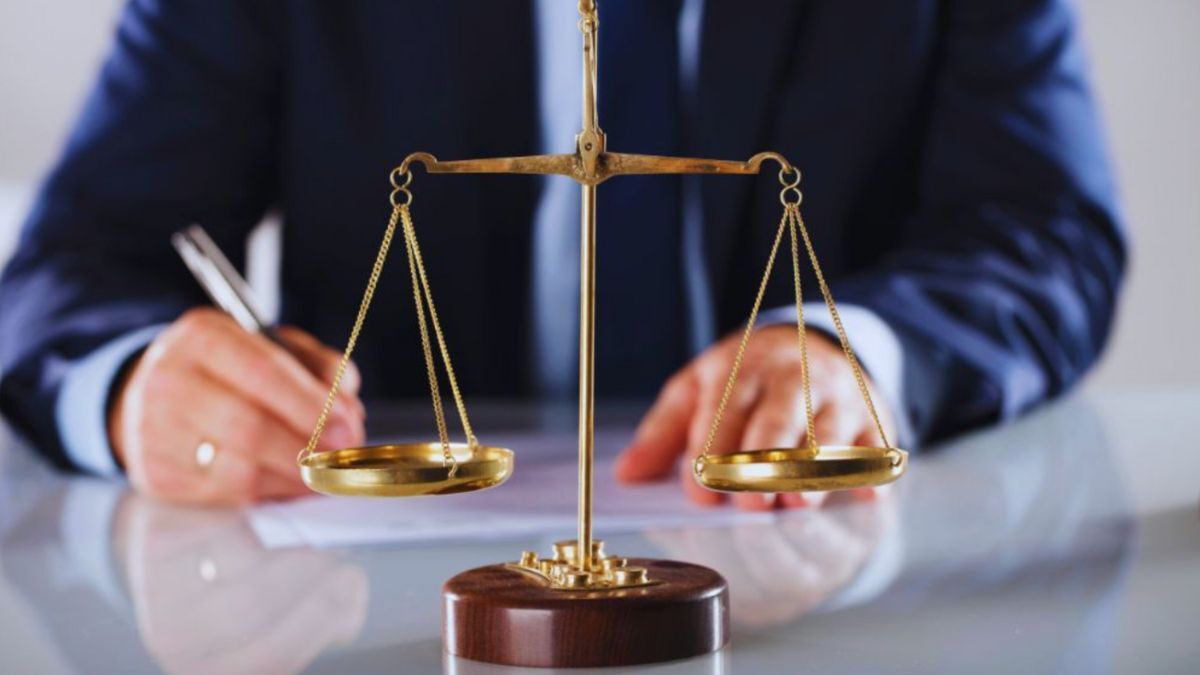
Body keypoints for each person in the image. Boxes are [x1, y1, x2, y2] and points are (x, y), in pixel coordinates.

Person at [0, 0, 1125, 507]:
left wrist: (849, 348)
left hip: (839, 601)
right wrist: (138, 387)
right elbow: (74, 266)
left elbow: (1046, 227)